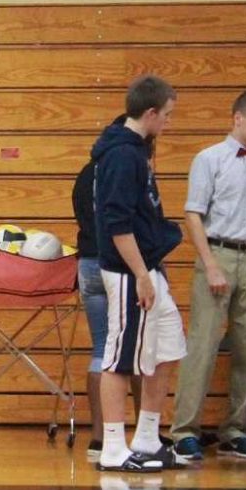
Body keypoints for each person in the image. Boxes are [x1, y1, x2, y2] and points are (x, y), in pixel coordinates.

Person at [171, 91, 246, 462]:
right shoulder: (209, 159)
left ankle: (235, 430)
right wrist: (211, 264)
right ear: (237, 119)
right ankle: (184, 431)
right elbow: (193, 214)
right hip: (217, 252)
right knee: (202, 345)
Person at [91, 74, 185, 473]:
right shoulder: (121, 155)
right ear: (149, 113)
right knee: (120, 357)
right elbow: (117, 222)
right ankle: (113, 446)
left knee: (168, 345)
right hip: (129, 271)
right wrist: (141, 275)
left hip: (148, 266)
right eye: (166, 115)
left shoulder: (136, 150)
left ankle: (147, 435)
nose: (168, 122)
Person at [73, 117, 148, 459]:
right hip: (117, 266)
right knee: (133, 350)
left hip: (87, 264)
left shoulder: (86, 172)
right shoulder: (125, 167)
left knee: (101, 349)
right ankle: (141, 433)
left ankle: (99, 436)